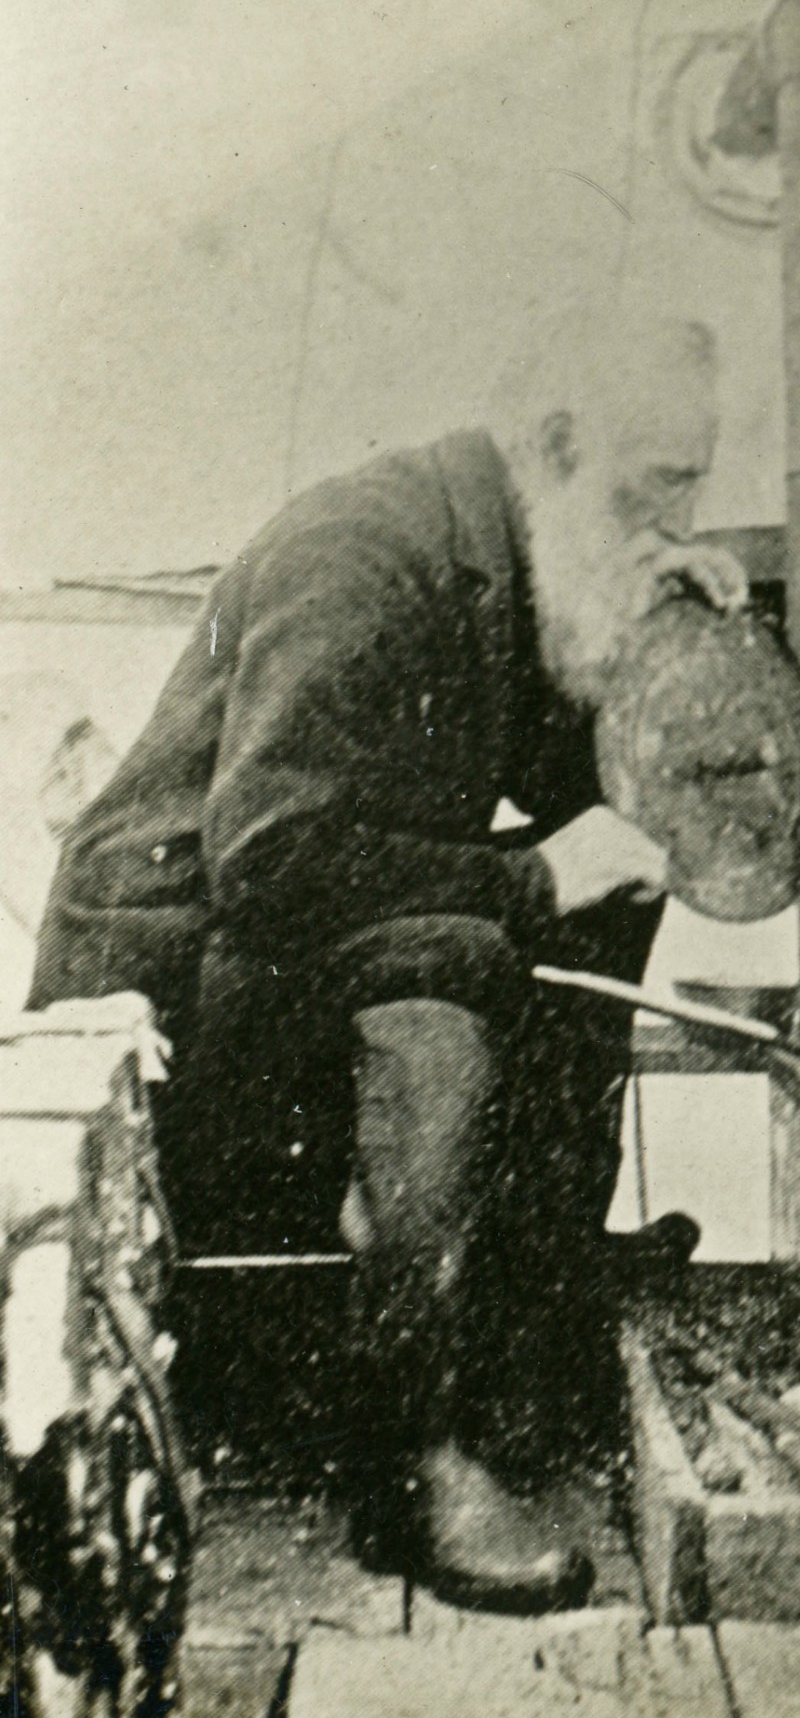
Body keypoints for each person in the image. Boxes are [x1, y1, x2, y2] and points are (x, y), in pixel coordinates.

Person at [28, 308, 745, 1615]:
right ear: (558, 445)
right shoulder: (362, 548)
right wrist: (534, 875)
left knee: (592, 876)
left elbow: (551, 801)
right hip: (170, 1021)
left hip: (282, 977)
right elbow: (272, 862)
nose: (679, 518)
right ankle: (406, 1459)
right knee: (453, 955)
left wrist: (653, 664)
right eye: (662, 488)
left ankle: (540, 1290)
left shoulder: (502, 555)